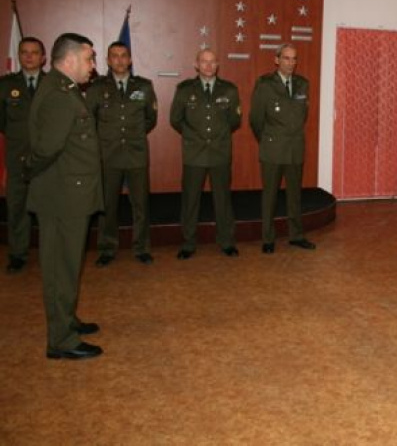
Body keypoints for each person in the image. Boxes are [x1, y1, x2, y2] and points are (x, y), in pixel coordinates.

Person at [27, 32, 103, 359]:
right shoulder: (59, 95)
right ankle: (61, 340)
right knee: (61, 268)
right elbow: (46, 149)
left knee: (68, 265)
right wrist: (33, 175)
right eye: (89, 58)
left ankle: (66, 320)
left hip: (70, 193)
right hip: (62, 196)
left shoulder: (65, 88)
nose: (93, 65)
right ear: (70, 60)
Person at [87, 42, 158, 267]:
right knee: (108, 205)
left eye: (123, 55)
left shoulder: (144, 86)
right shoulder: (97, 87)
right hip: (108, 155)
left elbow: (150, 119)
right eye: (114, 56)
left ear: (130, 60)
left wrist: (132, 135)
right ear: (108, 61)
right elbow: (90, 120)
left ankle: (141, 248)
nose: (119, 60)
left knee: (140, 204)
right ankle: (107, 248)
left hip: (136, 153)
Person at [170, 49, 241, 259]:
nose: (208, 66)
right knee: (190, 200)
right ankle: (188, 243)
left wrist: (217, 136)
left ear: (217, 65)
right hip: (194, 153)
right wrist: (193, 137)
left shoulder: (229, 90)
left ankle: (226, 241)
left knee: (223, 199)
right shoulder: (184, 89)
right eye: (204, 61)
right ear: (196, 65)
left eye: (212, 62)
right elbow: (175, 119)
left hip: (220, 152)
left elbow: (234, 120)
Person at [250, 43, 316, 253]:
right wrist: (268, 139)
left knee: (294, 195)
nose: (290, 63)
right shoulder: (265, 84)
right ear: (277, 60)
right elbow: (256, 119)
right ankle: (268, 238)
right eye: (286, 58)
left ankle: (296, 235)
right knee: (270, 196)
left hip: (295, 147)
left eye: (294, 58)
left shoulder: (302, 84)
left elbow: (302, 115)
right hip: (273, 148)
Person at [1, 37, 46, 273]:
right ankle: (18, 254)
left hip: (48, 160)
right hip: (18, 158)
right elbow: (2, 122)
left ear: (43, 58)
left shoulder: (53, 84)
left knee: (50, 209)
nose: (29, 56)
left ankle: (51, 254)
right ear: (18, 56)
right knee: (17, 208)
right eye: (24, 52)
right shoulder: (5, 85)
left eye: (34, 52)